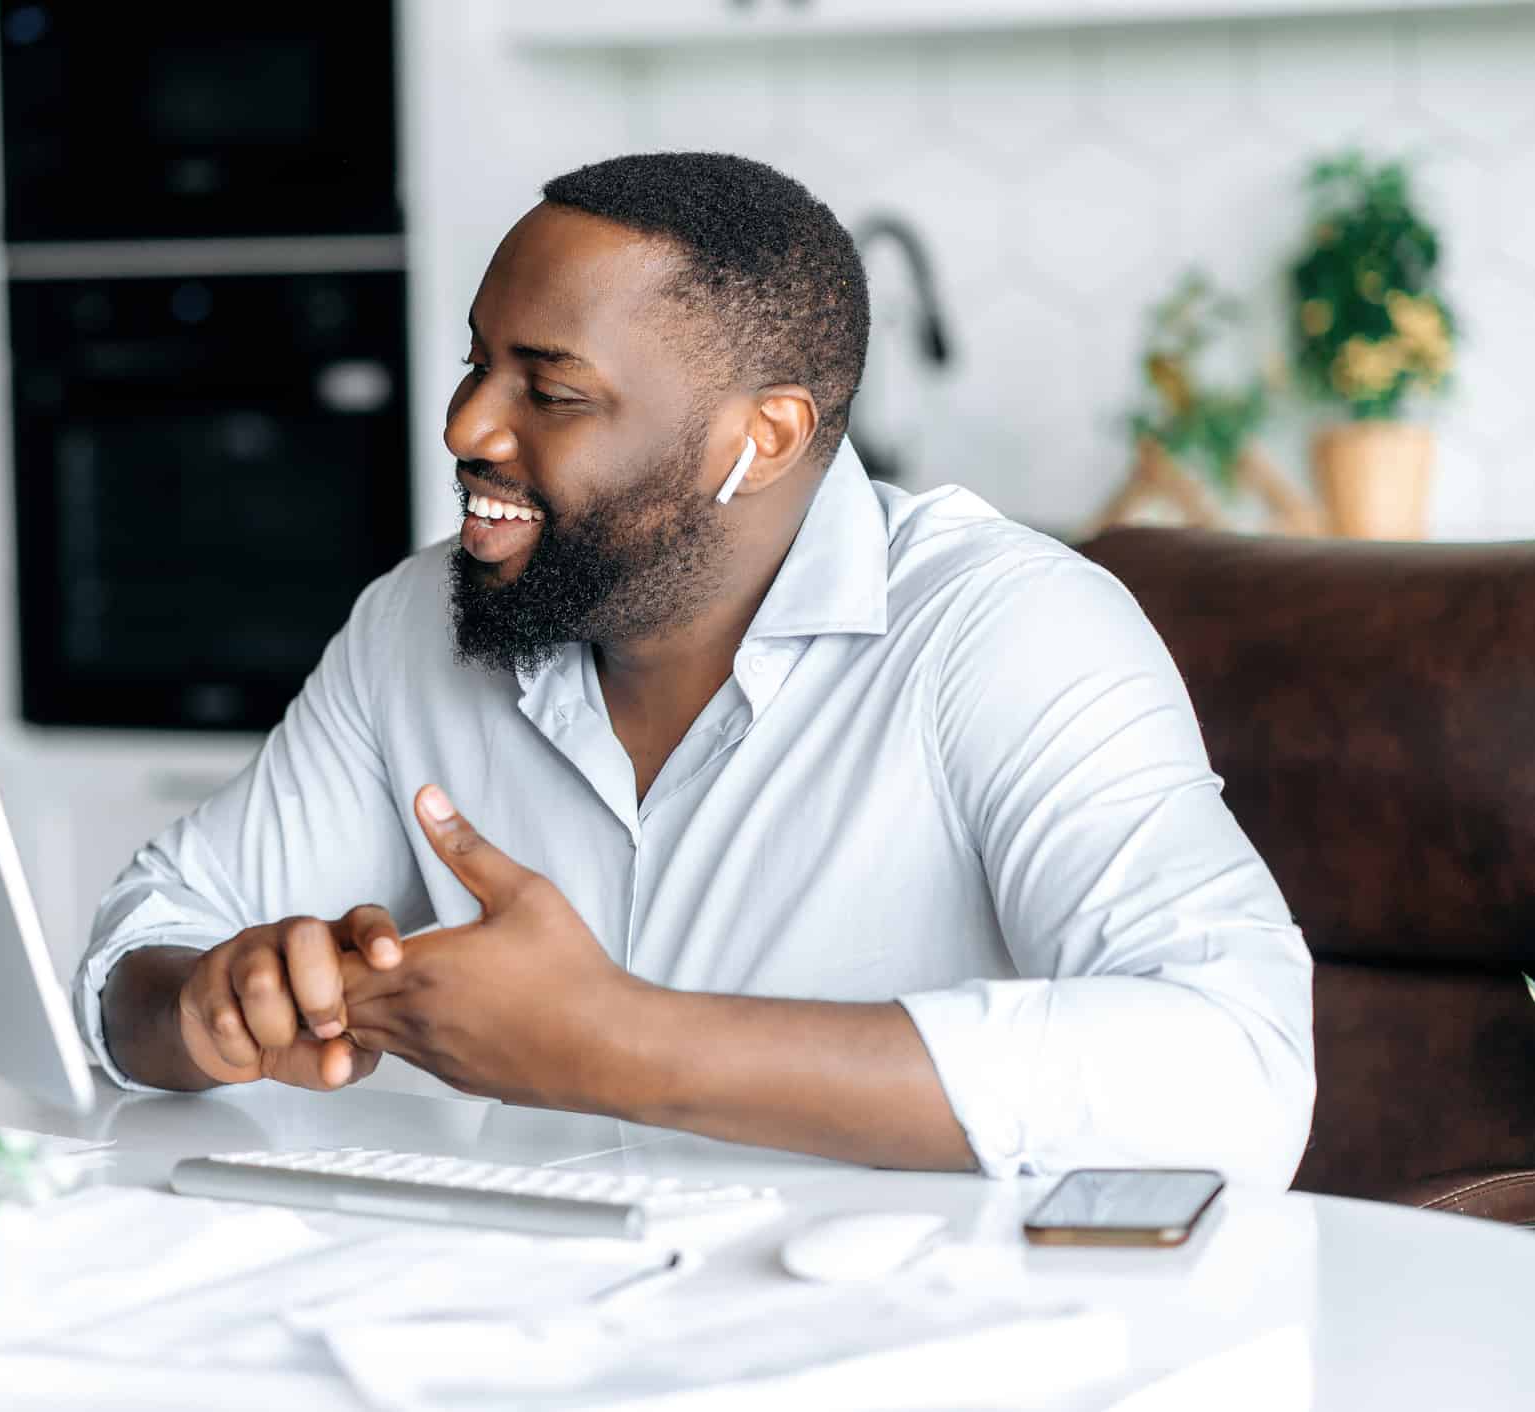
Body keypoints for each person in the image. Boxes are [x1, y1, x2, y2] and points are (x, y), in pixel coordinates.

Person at [75, 152, 1315, 1185]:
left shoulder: (1003, 630)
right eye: (477, 361)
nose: (463, 427)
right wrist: (204, 1004)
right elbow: (137, 948)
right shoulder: (416, 621)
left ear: (759, 438)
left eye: (549, 391)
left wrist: (619, 1043)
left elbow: (1235, 1067)